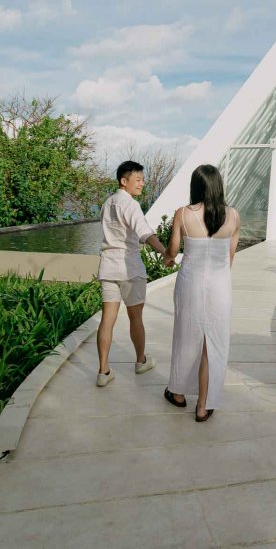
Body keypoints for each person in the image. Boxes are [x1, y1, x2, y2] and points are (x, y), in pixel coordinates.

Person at [163, 164, 239, 421]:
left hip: (190, 284)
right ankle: (203, 406)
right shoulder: (233, 216)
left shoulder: (183, 214)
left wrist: (167, 258)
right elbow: (229, 258)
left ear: (195, 186)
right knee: (213, 343)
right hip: (220, 286)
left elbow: (173, 251)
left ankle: (178, 393)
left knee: (186, 337)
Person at [96, 160, 167, 387]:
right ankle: (140, 361)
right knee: (135, 317)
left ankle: (103, 371)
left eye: (142, 180)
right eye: (138, 179)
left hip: (108, 267)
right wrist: (165, 252)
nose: (142, 184)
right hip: (129, 268)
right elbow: (145, 233)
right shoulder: (131, 204)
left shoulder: (107, 203)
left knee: (107, 320)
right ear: (123, 181)